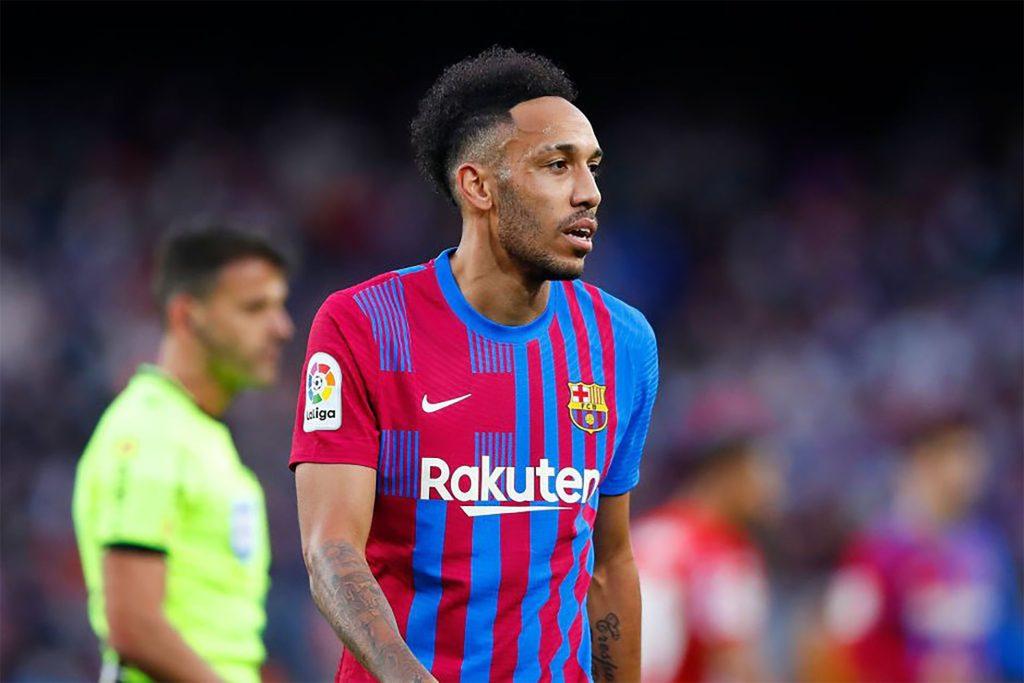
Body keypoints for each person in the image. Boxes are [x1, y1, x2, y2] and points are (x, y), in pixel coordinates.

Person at [290, 47, 659, 682]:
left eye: (592, 166)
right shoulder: (364, 326)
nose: (589, 192)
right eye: (557, 165)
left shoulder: (622, 343)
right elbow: (331, 550)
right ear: (478, 186)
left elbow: (609, 564)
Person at [72, 228, 294, 682]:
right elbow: (133, 627)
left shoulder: (200, 434)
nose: (282, 328)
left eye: (279, 306)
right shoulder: (149, 431)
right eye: (255, 308)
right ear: (186, 315)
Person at [821, 412, 1024, 683]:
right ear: (923, 461)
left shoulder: (986, 547)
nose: (974, 469)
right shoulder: (875, 550)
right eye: (961, 454)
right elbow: (848, 639)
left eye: (977, 456)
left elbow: (1004, 633)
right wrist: (917, 671)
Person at [632, 384, 780, 683]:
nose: (770, 483)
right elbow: (737, 665)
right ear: (728, 470)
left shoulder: (643, 533)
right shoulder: (724, 551)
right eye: (760, 466)